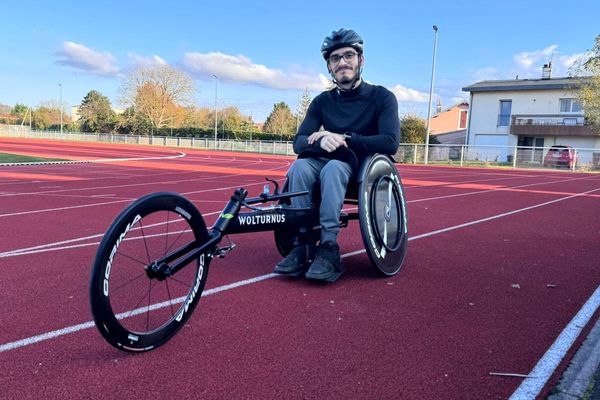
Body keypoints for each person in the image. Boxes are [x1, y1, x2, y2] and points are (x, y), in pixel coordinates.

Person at [274, 28, 400, 282]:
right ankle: (303, 243)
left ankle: (329, 247)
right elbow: (299, 142)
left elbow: (390, 142)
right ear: (329, 67)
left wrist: (347, 138)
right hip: (325, 158)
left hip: (359, 164)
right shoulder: (322, 101)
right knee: (298, 168)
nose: (342, 62)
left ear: (360, 60)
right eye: (335, 59)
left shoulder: (382, 97)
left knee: (333, 169)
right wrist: (322, 137)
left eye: (348, 56)